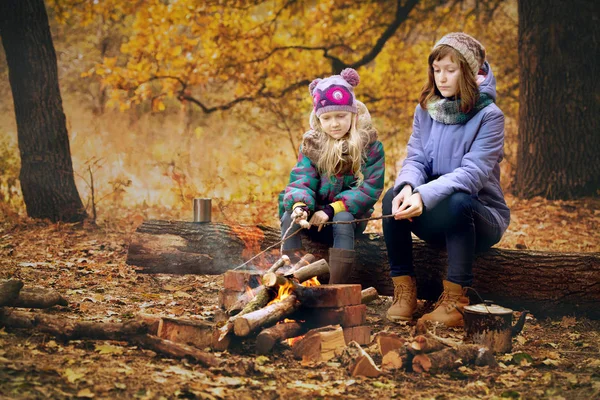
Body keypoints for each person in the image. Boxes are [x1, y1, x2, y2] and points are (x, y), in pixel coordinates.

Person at [383, 33, 510, 327]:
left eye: (450, 70)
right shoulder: (426, 109)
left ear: (467, 72)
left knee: (457, 201)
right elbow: (415, 159)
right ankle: (404, 291)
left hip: (479, 219)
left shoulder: (490, 115)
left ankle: (456, 300)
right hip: (435, 214)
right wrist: (407, 188)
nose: (442, 78)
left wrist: (423, 196)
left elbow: (472, 174)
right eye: (437, 70)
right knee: (392, 197)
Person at [279, 68, 385, 284]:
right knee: (288, 212)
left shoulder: (369, 145)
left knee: (343, 219)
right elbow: (301, 178)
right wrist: (301, 206)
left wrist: (332, 209)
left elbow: (369, 188)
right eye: (327, 118)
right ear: (318, 119)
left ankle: (336, 285)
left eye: (341, 116)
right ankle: (293, 274)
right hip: (314, 217)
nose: (334, 124)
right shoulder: (312, 145)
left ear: (353, 114)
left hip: (349, 217)